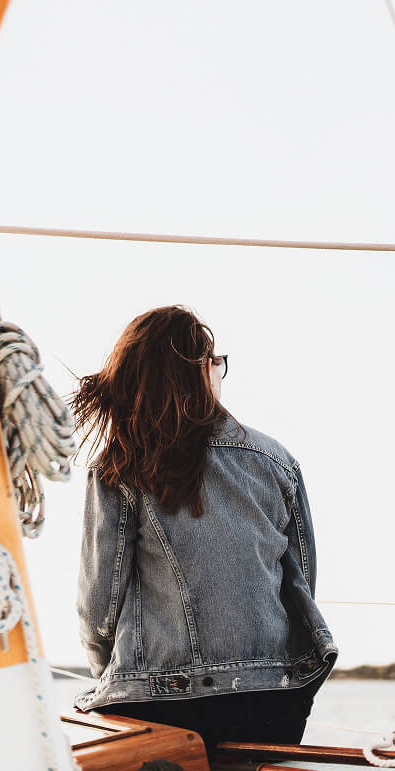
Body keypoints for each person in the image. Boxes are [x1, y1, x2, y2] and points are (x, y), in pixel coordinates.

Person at [72, 305, 337, 745]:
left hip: (164, 706)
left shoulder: (121, 465)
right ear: (199, 370)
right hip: (275, 704)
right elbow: (301, 583)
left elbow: (99, 604)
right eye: (215, 361)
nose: (219, 370)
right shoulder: (275, 460)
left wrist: (111, 675)